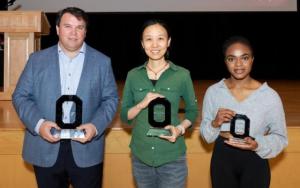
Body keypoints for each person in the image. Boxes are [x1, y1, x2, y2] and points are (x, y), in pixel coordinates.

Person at [12, 7, 118, 188]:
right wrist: (39, 125)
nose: (74, 33)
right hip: (45, 145)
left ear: (85, 31)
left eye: (80, 27)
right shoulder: (36, 60)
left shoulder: (102, 62)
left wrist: (94, 126)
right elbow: (20, 96)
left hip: (86, 147)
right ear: (57, 29)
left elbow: (111, 100)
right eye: (68, 26)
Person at [200, 36, 288, 188]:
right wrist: (215, 123)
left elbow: (281, 138)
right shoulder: (214, 92)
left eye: (244, 58)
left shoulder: (269, 96)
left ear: (252, 60)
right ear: (225, 61)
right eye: (231, 59)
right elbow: (207, 136)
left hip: (255, 161)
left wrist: (257, 144)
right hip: (222, 160)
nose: (238, 64)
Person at [120, 19, 198, 188]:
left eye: (160, 38)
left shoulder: (182, 75)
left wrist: (179, 129)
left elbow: (192, 111)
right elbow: (125, 116)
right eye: (148, 39)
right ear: (142, 43)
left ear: (168, 42)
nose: (154, 44)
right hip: (141, 157)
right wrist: (142, 103)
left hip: (172, 157)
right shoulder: (133, 75)